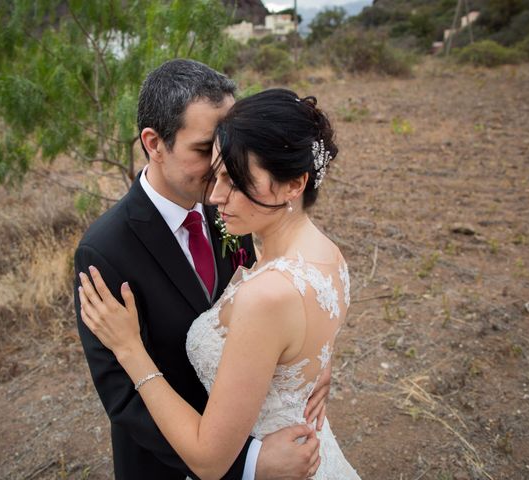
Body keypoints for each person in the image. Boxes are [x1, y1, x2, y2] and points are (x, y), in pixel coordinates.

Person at [77, 88, 361, 479]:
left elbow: (285, 317)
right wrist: (249, 462)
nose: (215, 193)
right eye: (205, 151)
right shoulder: (106, 250)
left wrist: (310, 368)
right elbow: (121, 396)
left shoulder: (243, 216)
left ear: (294, 184)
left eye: (231, 171)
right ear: (154, 144)